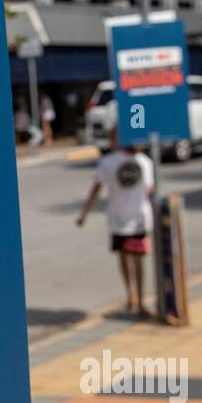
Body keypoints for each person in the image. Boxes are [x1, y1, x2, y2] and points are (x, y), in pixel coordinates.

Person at [76, 133, 156, 316]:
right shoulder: (145, 162)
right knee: (138, 259)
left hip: (118, 220)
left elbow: (96, 188)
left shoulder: (108, 162)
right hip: (140, 220)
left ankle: (131, 296)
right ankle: (141, 300)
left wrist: (85, 214)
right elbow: (149, 190)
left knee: (124, 257)